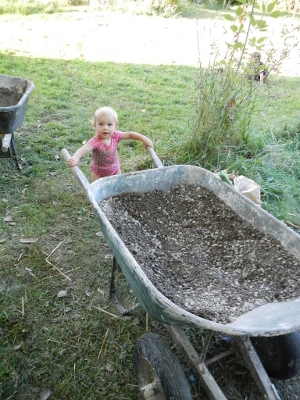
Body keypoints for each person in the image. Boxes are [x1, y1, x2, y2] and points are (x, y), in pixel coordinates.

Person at [68, 107, 154, 182]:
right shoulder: (95, 141)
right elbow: (83, 149)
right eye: (101, 124)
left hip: (115, 169)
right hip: (98, 172)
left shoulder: (115, 136)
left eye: (109, 124)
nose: (105, 127)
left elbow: (130, 134)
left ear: (115, 126)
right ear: (95, 125)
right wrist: (76, 157)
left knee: (118, 186)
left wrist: (144, 139)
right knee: (97, 189)